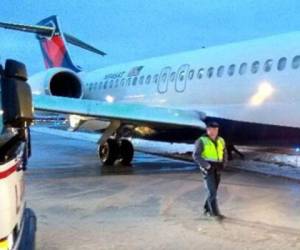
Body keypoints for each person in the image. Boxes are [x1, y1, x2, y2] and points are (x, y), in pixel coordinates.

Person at [193, 121, 227, 220]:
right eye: (211, 129)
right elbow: (196, 156)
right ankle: (214, 213)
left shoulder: (221, 140)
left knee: (213, 191)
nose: (213, 132)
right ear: (207, 130)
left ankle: (206, 209)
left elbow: (224, 153)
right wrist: (207, 166)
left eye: (215, 130)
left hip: (218, 167)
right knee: (212, 191)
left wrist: (224, 164)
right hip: (208, 169)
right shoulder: (201, 140)